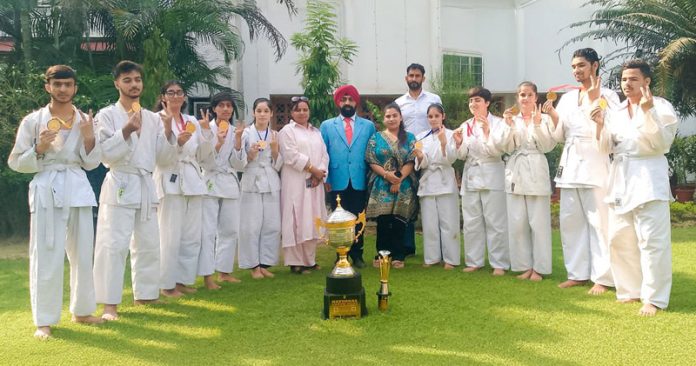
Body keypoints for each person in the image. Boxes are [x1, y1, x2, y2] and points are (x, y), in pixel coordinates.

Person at [8, 65, 104, 338]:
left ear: (75, 88)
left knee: (84, 253)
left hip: (77, 186)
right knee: (46, 253)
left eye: (68, 85)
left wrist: (88, 138)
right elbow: (15, 162)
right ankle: (44, 321)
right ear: (47, 87)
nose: (63, 89)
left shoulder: (86, 119)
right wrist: (39, 148)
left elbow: (92, 163)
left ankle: (82, 310)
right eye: (57, 84)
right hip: (47, 186)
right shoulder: (33, 121)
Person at [93, 61, 177, 320]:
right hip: (120, 183)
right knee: (113, 245)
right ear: (117, 83)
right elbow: (104, 154)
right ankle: (109, 305)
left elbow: (164, 159)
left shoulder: (152, 118)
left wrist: (167, 131)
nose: (134, 85)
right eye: (127, 80)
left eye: (138, 79)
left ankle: (146, 295)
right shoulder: (106, 116)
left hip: (145, 185)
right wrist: (127, 130)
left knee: (149, 243)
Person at [592, 60, 677, 316]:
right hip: (621, 176)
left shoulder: (661, 107)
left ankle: (654, 298)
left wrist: (648, 112)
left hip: (649, 175)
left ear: (646, 82)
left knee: (652, 241)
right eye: (623, 80)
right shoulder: (616, 111)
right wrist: (599, 124)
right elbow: (605, 148)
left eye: (633, 79)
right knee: (619, 237)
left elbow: (663, 143)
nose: (626, 84)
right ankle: (629, 291)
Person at [546, 48, 618, 294]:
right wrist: (554, 115)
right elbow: (560, 134)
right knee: (570, 221)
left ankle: (603, 277)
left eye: (581, 66)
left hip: (596, 160)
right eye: (574, 66)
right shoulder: (567, 98)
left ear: (595, 65)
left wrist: (595, 99)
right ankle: (577, 273)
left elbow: (612, 128)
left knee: (599, 223)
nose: (576, 70)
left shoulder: (608, 95)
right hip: (570, 163)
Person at [153, 81, 215, 297]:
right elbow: (158, 156)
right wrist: (176, 142)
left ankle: (183, 280)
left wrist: (207, 133)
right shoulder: (156, 120)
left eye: (179, 92)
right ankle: (166, 284)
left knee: (191, 235)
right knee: (170, 235)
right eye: (171, 93)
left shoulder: (191, 121)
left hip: (192, 179)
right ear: (163, 97)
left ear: (185, 96)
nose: (175, 96)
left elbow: (203, 155)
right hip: (169, 179)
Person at [493, 81, 556, 281]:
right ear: (517, 97)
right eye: (522, 95)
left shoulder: (545, 119)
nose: (525, 98)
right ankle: (523, 265)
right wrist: (509, 127)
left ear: (536, 97)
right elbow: (504, 146)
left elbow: (547, 146)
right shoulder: (511, 119)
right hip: (516, 170)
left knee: (539, 223)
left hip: (536, 167)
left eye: (529, 95)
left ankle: (540, 268)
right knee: (517, 222)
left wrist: (537, 124)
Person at [453, 87, 510, 275]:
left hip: (492, 173)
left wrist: (487, 133)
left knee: (495, 221)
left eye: (477, 100)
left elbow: (499, 151)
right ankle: (474, 260)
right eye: (470, 101)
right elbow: (461, 156)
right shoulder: (465, 125)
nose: (473, 104)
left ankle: (499, 263)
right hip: (471, 175)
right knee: (471, 221)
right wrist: (459, 142)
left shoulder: (499, 123)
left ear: (487, 103)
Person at [320, 85, 376, 268]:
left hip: (359, 178)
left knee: (359, 217)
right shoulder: (327, 126)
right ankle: (340, 254)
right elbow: (323, 153)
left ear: (356, 102)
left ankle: (357, 254)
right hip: (336, 179)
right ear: (338, 102)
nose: (347, 103)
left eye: (350, 99)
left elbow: (372, 153)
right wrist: (326, 179)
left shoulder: (368, 126)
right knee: (339, 219)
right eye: (343, 99)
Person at [232, 98, 283, 279]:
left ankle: (265, 263)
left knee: (272, 225)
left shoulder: (275, 135)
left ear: (271, 114)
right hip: (251, 180)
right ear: (254, 113)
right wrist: (250, 155)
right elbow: (237, 163)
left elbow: (278, 164)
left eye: (265, 111)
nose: (262, 114)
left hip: (270, 180)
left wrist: (275, 150)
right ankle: (253, 265)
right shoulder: (245, 133)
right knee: (251, 225)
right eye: (259, 111)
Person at [197, 92, 244, 289]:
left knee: (230, 229)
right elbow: (203, 160)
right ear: (214, 108)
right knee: (208, 231)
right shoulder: (205, 129)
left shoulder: (237, 131)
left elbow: (239, 164)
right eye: (221, 105)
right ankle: (207, 275)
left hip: (230, 181)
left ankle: (224, 271)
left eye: (229, 105)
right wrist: (218, 143)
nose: (226, 109)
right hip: (210, 180)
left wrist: (239, 141)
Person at [278, 96, 329, 274]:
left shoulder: (316, 132)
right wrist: (312, 169)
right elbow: (290, 155)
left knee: (312, 217)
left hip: (314, 183)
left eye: (305, 109)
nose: (302, 113)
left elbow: (324, 155)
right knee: (296, 216)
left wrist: (320, 173)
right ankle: (295, 261)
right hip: (295, 182)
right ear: (292, 113)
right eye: (298, 110)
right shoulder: (287, 131)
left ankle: (310, 260)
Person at [395, 63, 442, 256]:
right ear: (406, 78)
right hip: (406, 156)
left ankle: (438, 247)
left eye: (417, 76)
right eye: (411, 76)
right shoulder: (399, 102)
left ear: (423, 78)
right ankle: (407, 246)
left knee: (430, 200)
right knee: (406, 199)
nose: (414, 79)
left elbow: (439, 123)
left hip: (429, 154)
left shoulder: (433, 99)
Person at [365, 102, 419, 269]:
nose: (391, 119)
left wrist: (399, 179)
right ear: (384, 118)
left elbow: (411, 159)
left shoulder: (410, 138)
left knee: (399, 221)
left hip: (403, 186)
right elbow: (371, 159)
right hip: (382, 185)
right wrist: (388, 176)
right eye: (388, 116)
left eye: (394, 115)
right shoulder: (376, 137)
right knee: (383, 222)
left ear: (400, 117)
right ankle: (382, 253)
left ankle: (398, 255)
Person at [413, 103, 460, 269]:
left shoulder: (451, 134)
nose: (433, 119)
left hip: (445, 179)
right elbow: (421, 162)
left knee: (448, 222)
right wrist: (419, 156)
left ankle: (451, 259)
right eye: (430, 116)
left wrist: (443, 144)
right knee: (430, 222)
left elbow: (452, 159)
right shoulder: (420, 137)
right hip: (428, 180)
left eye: (436, 116)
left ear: (443, 116)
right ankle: (432, 258)